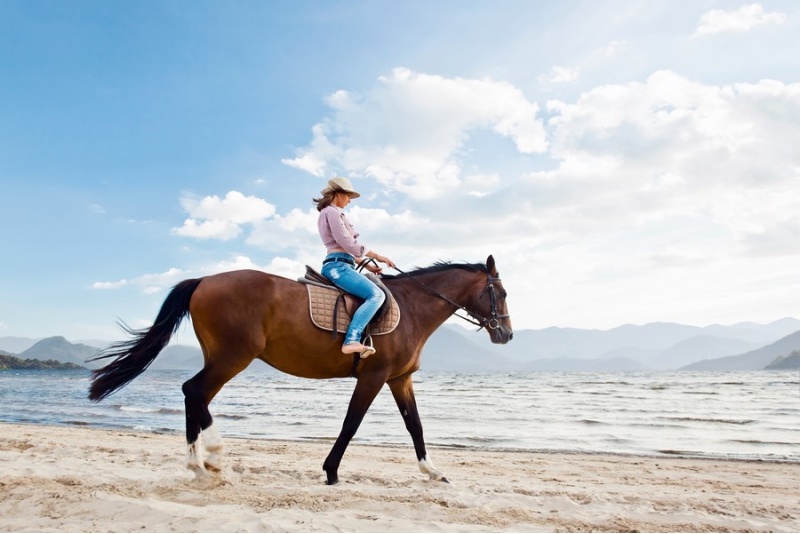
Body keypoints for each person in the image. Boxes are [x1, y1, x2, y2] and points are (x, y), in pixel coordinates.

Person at [314, 176, 396, 358]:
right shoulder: (332, 213)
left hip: (341, 263)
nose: (350, 200)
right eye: (348, 196)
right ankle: (351, 340)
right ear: (338, 194)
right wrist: (377, 256)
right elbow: (348, 242)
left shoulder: (328, 213)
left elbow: (344, 248)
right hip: (339, 267)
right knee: (377, 295)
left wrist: (367, 265)